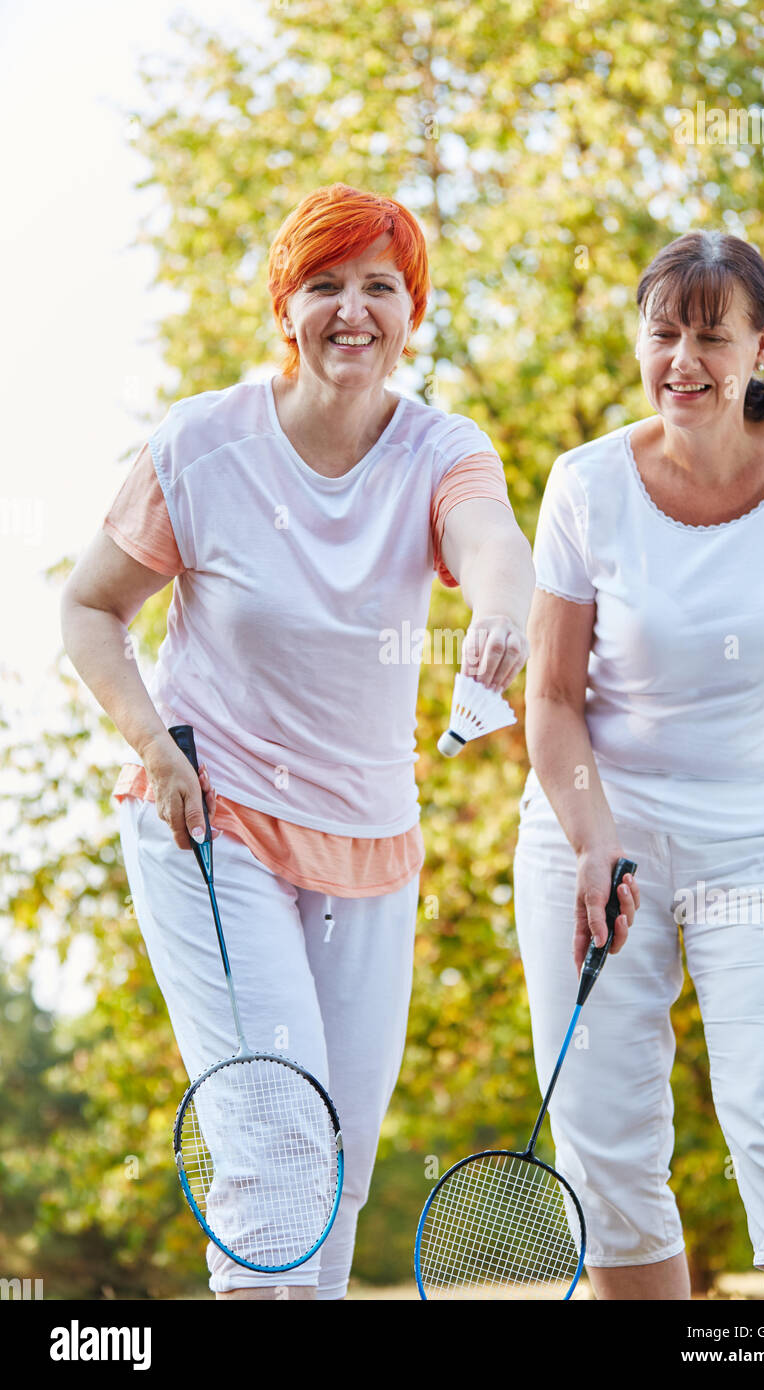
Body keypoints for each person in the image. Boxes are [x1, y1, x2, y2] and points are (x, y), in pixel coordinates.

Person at [60, 183, 533, 1300]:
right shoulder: (202, 445)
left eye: (380, 286)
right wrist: (154, 742)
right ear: (287, 304)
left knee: (341, 1170)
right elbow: (88, 610)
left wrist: (501, 613)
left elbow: (494, 543)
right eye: (326, 285)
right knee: (277, 1145)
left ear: (410, 310)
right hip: (210, 823)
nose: (353, 310)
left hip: (368, 839)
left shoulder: (437, 447)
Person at [513, 229, 764, 1300]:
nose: (680, 359)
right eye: (660, 332)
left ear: (759, 345)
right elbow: (551, 696)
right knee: (605, 1137)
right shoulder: (584, 487)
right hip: (594, 834)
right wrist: (592, 841)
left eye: (709, 336)